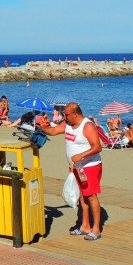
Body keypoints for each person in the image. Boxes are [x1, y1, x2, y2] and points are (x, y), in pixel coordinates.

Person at [35, 102, 104, 241]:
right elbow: (53, 131)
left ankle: (96, 229)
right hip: (77, 168)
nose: (64, 117)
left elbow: (97, 147)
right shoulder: (68, 125)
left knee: (91, 196)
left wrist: (81, 155)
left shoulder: (87, 126)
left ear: (75, 114)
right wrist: (43, 126)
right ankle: (85, 226)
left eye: (66, 115)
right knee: (82, 196)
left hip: (90, 166)